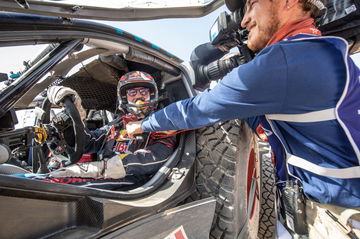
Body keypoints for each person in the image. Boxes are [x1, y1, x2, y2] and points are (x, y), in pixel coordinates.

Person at [126, 0, 360, 236]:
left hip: (337, 218)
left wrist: (144, 124)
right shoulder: (314, 52)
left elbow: (198, 108)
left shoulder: (285, 60)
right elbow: (263, 120)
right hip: (331, 208)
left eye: (252, 4)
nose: (245, 19)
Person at [44, 71, 176, 190]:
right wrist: (74, 118)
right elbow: (88, 142)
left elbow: (156, 158)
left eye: (143, 92)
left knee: (62, 188)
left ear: (152, 95)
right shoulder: (118, 124)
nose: (138, 97)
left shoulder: (160, 123)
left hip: (136, 181)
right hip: (107, 176)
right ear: (124, 97)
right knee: (48, 182)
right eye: (132, 93)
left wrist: (104, 167)